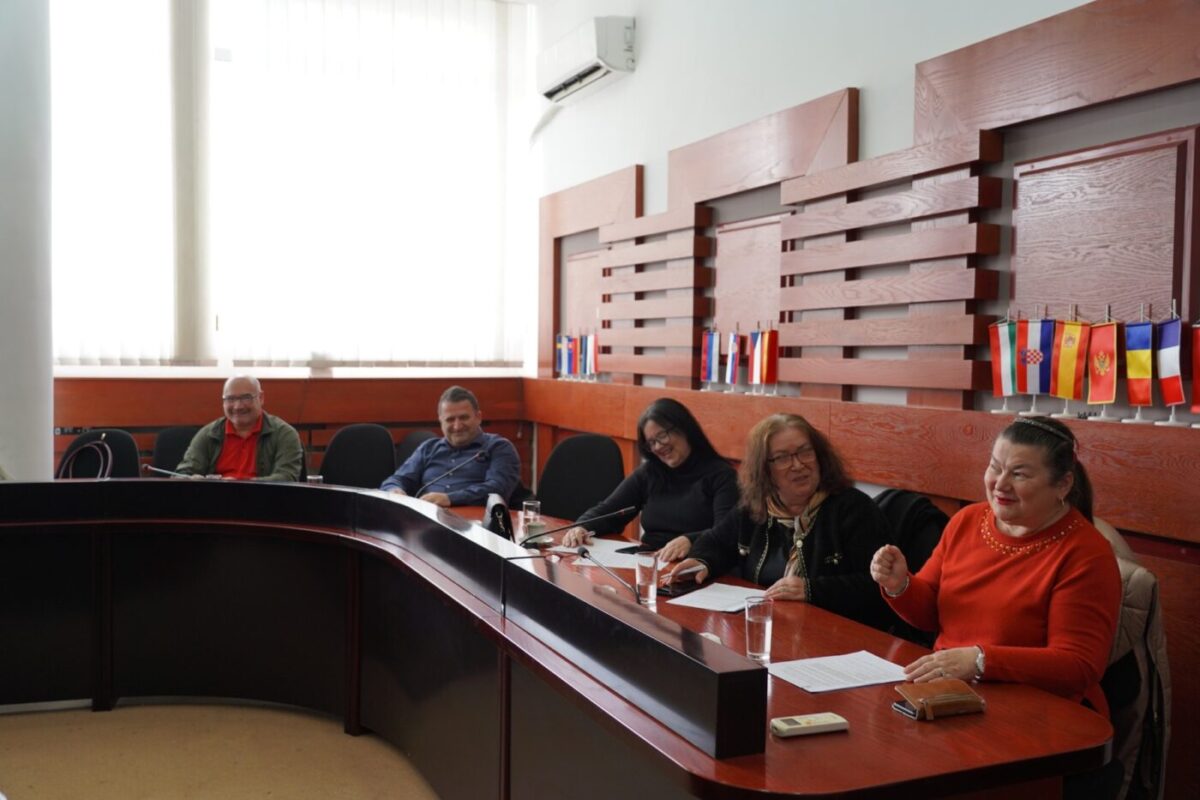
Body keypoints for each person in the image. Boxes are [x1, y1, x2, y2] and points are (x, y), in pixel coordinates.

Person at [870, 416, 1121, 715]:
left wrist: (981, 661)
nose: (1000, 484)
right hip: (950, 695)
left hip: (1039, 711)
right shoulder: (967, 521)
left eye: (1019, 474)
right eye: (995, 467)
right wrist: (900, 585)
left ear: (1063, 484)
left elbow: (1078, 666)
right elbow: (931, 616)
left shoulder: (1086, 553)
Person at [666, 413, 896, 632]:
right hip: (771, 627)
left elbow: (877, 586)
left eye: (805, 452)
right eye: (783, 458)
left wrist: (810, 589)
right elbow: (716, 541)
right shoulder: (756, 508)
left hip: (836, 635)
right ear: (764, 469)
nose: (798, 465)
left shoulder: (853, 508)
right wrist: (701, 561)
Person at [561, 398, 737, 559]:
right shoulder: (650, 472)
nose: (658, 447)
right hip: (649, 563)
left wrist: (690, 540)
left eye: (662, 436)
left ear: (684, 428)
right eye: (651, 442)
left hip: (698, 565)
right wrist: (581, 527)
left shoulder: (722, 475)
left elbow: (727, 532)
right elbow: (609, 511)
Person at [381, 385, 519, 508]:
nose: (457, 426)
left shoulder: (499, 447)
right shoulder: (428, 448)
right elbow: (395, 480)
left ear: (478, 417)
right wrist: (395, 490)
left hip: (476, 522)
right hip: (429, 520)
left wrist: (450, 499)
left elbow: (497, 490)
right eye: (450, 419)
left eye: (464, 418)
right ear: (441, 421)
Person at [176, 375, 304, 481]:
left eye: (246, 398)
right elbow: (181, 474)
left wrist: (241, 485)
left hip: (264, 501)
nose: (238, 406)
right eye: (230, 399)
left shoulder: (284, 434)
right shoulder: (208, 434)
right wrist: (191, 479)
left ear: (261, 398)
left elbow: (287, 478)